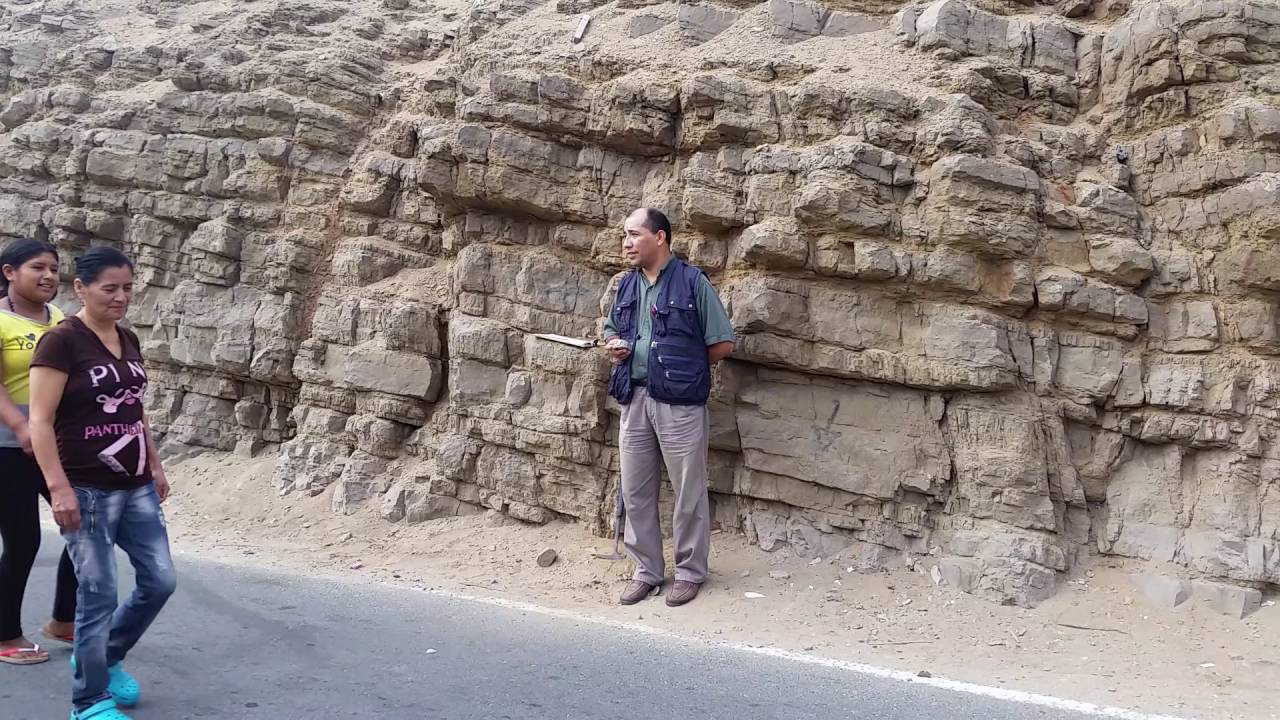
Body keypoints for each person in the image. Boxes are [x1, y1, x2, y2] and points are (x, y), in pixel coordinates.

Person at [29, 247, 175, 720]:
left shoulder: (126, 337)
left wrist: (154, 465)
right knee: (98, 594)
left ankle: (103, 657)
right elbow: (40, 421)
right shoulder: (61, 342)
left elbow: (134, 409)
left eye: (127, 288)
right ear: (81, 288)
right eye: (110, 288)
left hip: (136, 485)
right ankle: (89, 701)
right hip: (86, 488)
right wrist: (58, 488)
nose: (121, 297)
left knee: (160, 580)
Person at [603, 208, 735, 607]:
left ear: (660, 237)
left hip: (680, 405)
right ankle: (646, 571)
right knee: (635, 491)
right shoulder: (626, 285)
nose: (626, 243)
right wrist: (614, 345)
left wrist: (683, 369)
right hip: (635, 398)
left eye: (634, 234)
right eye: (624, 236)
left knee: (688, 492)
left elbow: (722, 342)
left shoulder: (693, 282)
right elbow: (611, 328)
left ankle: (690, 572)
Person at [0, 239, 79, 665]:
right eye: (38, 268)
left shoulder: (61, 320)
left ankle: (63, 620)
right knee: (23, 540)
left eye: (54, 268)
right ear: (10, 273)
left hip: (55, 444)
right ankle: (5, 635)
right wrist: (20, 426)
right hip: (7, 449)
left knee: (85, 527)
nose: (49, 275)